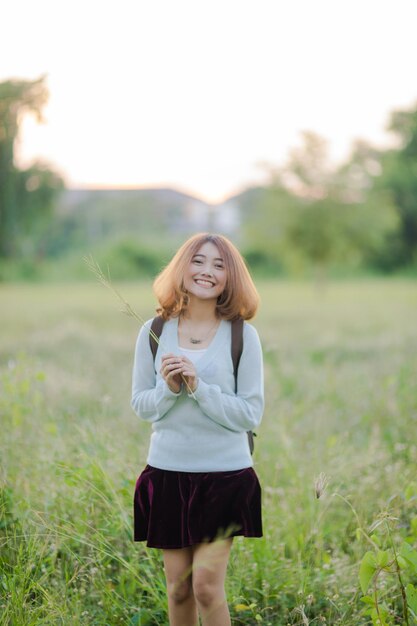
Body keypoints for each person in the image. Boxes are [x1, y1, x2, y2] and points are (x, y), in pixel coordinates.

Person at [131, 232, 264, 626]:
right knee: (178, 589)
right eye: (199, 261)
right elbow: (141, 404)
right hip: (168, 474)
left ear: (230, 279)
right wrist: (169, 390)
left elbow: (250, 414)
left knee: (206, 586)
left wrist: (199, 389)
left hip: (223, 476)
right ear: (182, 267)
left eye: (219, 265)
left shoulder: (243, 336)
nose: (207, 271)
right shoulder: (154, 331)